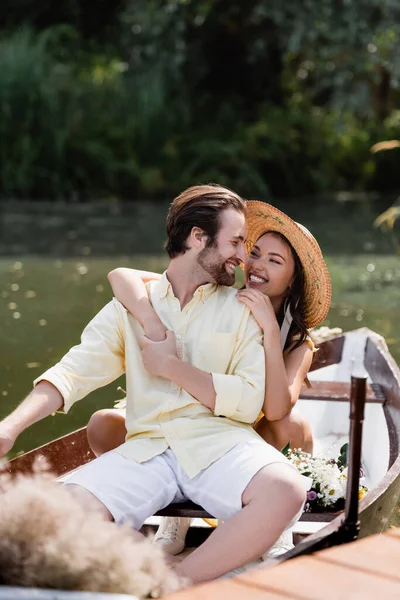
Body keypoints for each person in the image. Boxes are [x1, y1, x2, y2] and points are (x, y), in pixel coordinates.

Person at [0, 185, 309, 584]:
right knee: (57, 511)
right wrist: (11, 427)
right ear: (198, 237)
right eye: (235, 242)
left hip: (219, 444)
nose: (240, 256)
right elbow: (71, 373)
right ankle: (144, 565)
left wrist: (171, 366)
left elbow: (250, 403)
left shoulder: (243, 309)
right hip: (146, 449)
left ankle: (175, 585)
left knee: (286, 490)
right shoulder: (133, 305)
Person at [87, 200, 332, 556]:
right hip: (194, 425)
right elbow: (121, 277)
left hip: (250, 437)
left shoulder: (297, 341)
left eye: (274, 262)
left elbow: (276, 409)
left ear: (293, 279)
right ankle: (176, 509)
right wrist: (150, 318)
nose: (257, 266)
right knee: (103, 424)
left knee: (284, 425)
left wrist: (267, 328)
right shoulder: (216, 294)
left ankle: (260, 518)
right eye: (256, 253)